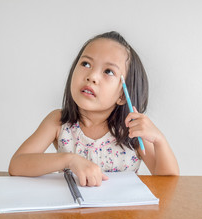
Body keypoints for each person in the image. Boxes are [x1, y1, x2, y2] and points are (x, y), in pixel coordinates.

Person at [9, 31, 179, 187]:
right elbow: (17, 165)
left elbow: (168, 182)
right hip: (72, 218)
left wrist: (159, 140)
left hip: (124, 218)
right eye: (86, 63)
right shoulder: (59, 121)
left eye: (108, 71)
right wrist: (68, 160)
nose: (92, 76)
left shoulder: (133, 129)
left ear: (122, 95)